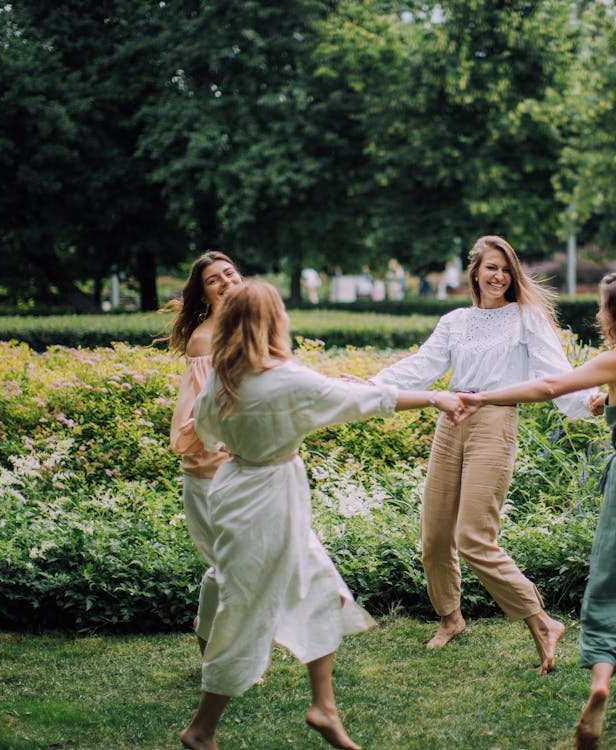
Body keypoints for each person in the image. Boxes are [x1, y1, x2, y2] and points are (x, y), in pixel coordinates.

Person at [181, 280, 460, 750]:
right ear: (273, 321)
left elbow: (207, 433)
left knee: (321, 591)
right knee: (245, 611)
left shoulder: (224, 377)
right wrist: (436, 397)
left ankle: (323, 708)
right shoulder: (286, 379)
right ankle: (201, 729)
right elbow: (369, 402)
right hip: (267, 498)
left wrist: (255, 439)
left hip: (241, 488)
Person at [455, 270, 616, 748]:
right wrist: (607, 401)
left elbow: (548, 386)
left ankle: (601, 684)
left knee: (613, 586)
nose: (599, 313)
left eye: (603, 306)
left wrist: (483, 395)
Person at [364, 235, 597, 673]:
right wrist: (373, 386)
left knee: (473, 537)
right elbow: (422, 365)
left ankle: (542, 621)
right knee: (434, 536)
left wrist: (589, 400)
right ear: (475, 271)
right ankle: (450, 618)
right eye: (491, 267)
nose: (499, 276)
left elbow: (556, 372)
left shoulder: (526, 318)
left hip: (494, 420)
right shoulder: (455, 321)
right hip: (450, 421)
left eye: (506, 269)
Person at [165, 250, 243, 658]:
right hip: (210, 467)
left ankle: (209, 628)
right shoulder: (204, 338)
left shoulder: (256, 327)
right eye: (214, 279)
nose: (226, 281)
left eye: (230, 273)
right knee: (227, 566)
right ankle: (218, 647)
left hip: (250, 465)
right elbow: (202, 412)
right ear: (205, 294)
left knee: (241, 564)